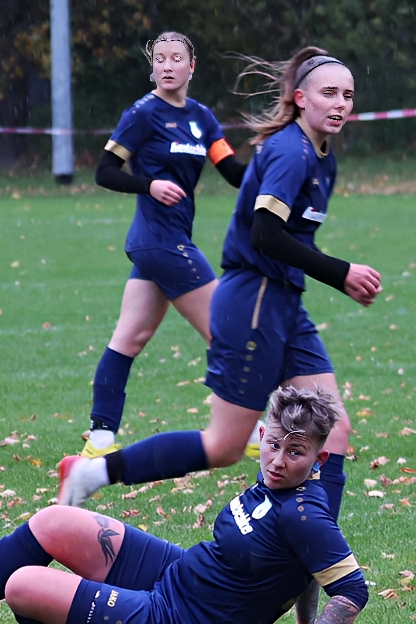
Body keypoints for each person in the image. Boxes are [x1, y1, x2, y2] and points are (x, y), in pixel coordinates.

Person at [57, 47, 380, 624]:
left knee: (332, 434)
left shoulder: (321, 154)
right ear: (301, 99)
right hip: (254, 302)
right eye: (329, 94)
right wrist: (341, 272)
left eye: (349, 96)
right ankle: (95, 475)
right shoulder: (288, 150)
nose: (340, 104)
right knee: (226, 445)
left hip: (284, 303)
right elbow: (265, 232)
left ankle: (307, 613)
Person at [0, 386, 367, 624]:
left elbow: (350, 590)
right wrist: (301, 619)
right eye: (274, 444)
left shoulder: (305, 510)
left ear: (319, 456)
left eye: (296, 453)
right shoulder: (277, 484)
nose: (279, 460)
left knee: (21, 585)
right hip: (176, 575)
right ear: (264, 434)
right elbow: (304, 566)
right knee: (55, 521)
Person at [82, 31, 247, 460]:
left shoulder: (203, 118)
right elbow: (104, 171)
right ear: (152, 67)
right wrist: (149, 184)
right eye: (160, 58)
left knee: (129, 337)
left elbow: (231, 171)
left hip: (165, 244)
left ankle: (100, 438)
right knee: (226, 331)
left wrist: (274, 172)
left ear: (192, 66)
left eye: (177, 58)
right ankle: (246, 430)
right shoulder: (141, 114)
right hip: (160, 242)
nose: (168, 65)